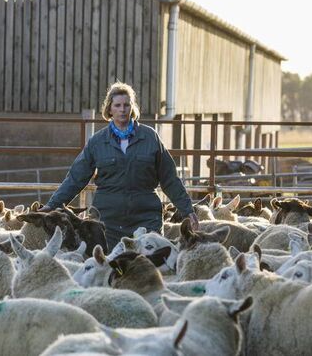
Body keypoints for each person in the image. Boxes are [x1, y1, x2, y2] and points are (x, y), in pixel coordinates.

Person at [41, 82, 199, 250]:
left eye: (126, 105)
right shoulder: (98, 141)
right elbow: (75, 178)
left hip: (145, 216)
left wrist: (187, 210)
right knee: (109, 261)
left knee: (150, 261)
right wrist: (52, 205)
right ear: (109, 109)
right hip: (107, 220)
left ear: (132, 108)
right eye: (117, 105)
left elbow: (170, 179)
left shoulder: (150, 137)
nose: (122, 110)